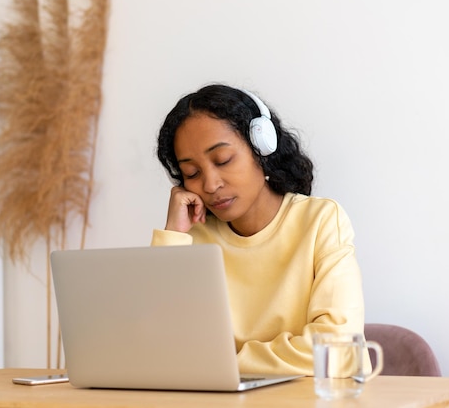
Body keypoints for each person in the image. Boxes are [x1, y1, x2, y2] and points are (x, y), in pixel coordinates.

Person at [152, 84, 366, 376]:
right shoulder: (194, 237)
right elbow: (155, 349)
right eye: (192, 173)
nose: (211, 184)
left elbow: (338, 349)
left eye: (223, 160)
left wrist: (225, 365)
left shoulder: (320, 221)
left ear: (262, 149)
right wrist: (173, 235)